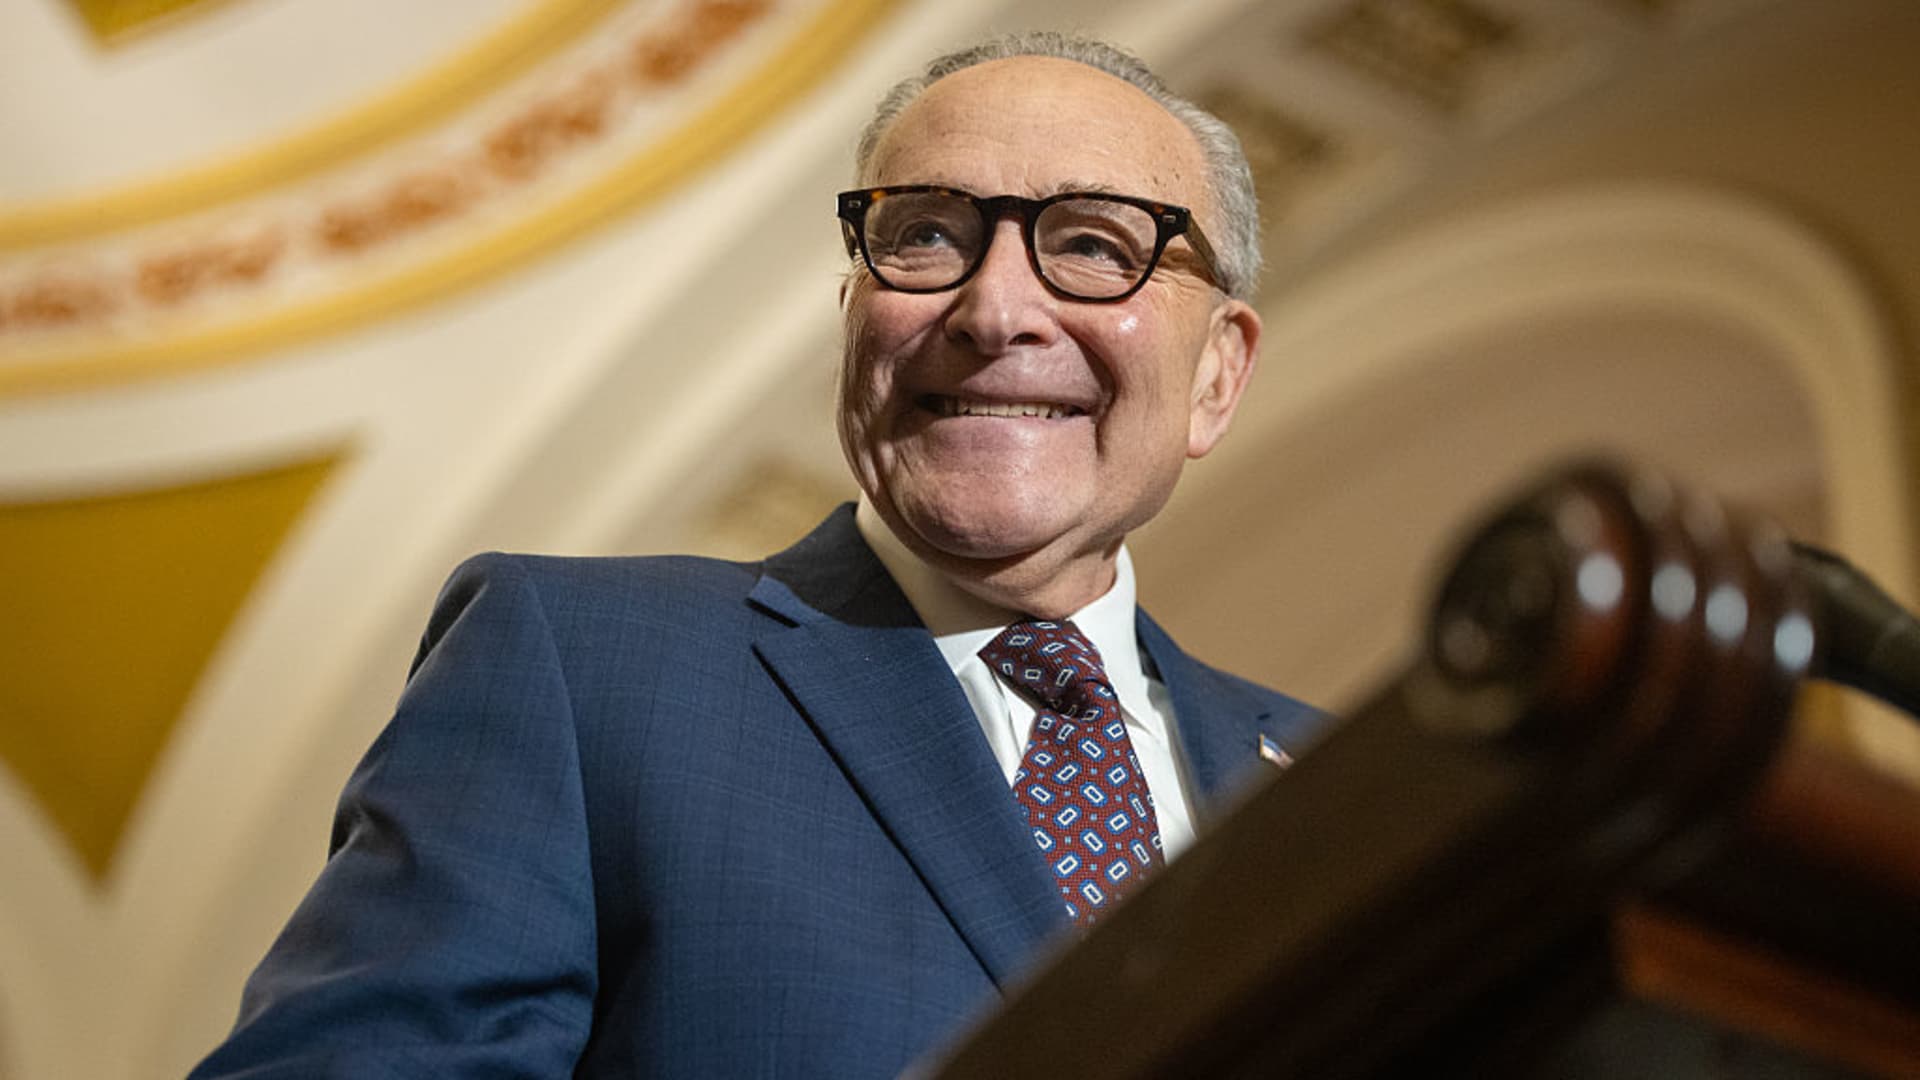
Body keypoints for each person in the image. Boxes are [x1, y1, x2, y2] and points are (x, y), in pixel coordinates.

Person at [190, 31, 1326, 1080]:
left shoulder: (1340, 769)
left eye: (1091, 245)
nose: (993, 310)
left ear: (1217, 374)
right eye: (926, 235)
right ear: (853, 314)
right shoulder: (586, 668)